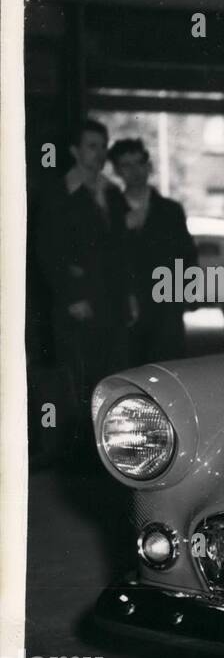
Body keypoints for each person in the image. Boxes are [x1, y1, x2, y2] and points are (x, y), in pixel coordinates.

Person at [35, 119, 131, 443]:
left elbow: (122, 250)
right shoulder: (57, 193)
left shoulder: (113, 194)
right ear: (75, 151)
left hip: (113, 305)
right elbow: (47, 252)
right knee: (79, 382)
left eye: (103, 146)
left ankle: (106, 452)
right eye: (92, 146)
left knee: (113, 381)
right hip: (77, 307)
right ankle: (77, 456)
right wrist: (72, 297)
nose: (100, 153)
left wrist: (129, 295)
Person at [108, 137, 197, 363]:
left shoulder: (171, 210)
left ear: (149, 166)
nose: (135, 171)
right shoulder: (109, 210)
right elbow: (103, 256)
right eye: (126, 165)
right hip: (125, 310)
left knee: (168, 374)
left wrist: (186, 297)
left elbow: (187, 255)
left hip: (166, 312)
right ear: (117, 170)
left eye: (139, 163)